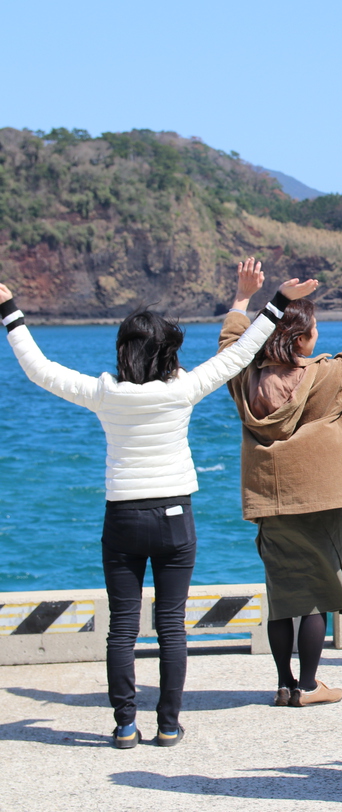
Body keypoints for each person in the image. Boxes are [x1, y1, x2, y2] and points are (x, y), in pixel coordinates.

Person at [0, 260, 315, 748]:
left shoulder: (104, 393)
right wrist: (274, 301)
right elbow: (240, 354)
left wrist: (10, 312)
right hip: (174, 518)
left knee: (122, 628)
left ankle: (125, 725)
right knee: (171, 626)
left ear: (123, 351)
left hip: (123, 518)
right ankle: (169, 724)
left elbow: (39, 369)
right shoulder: (182, 390)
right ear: (167, 352)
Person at [221, 266, 342, 708]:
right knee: (317, 595)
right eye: (312, 331)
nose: (317, 336)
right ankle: (309, 686)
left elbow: (230, 347)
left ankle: (284, 683)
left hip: (271, 501)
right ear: (300, 340)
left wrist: (242, 298)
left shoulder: (245, 378)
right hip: (321, 499)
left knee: (283, 596)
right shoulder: (321, 378)